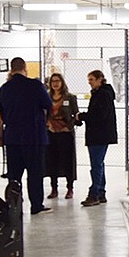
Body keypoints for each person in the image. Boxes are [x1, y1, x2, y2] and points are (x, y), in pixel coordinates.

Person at [0, 57, 52, 215]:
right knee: (35, 173)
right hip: (33, 136)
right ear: (25, 67)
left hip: (13, 137)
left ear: (11, 69)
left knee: (14, 175)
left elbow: (2, 112)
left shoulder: (4, 89)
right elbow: (48, 104)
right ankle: (36, 205)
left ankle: (14, 205)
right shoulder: (35, 85)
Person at [76, 69, 118, 206]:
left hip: (99, 135)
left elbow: (99, 115)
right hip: (99, 134)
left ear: (100, 79)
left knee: (96, 165)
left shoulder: (102, 94)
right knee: (99, 164)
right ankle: (100, 192)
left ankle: (94, 194)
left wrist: (82, 116)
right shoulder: (101, 94)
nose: (89, 83)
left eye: (92, 80)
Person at [44, 72, 79, 200]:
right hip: (51, 133)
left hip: (65, 133)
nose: (55, 83)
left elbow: (76, 115)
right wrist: (48, 125)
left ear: (62, 82)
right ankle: (54, 188)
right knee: (52, 160)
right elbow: (44, 114)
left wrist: (68, 127)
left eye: (58, 81)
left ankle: (70, 188)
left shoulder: (70, 98)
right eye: (53, 81)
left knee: (67, 160)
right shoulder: (46, 97)